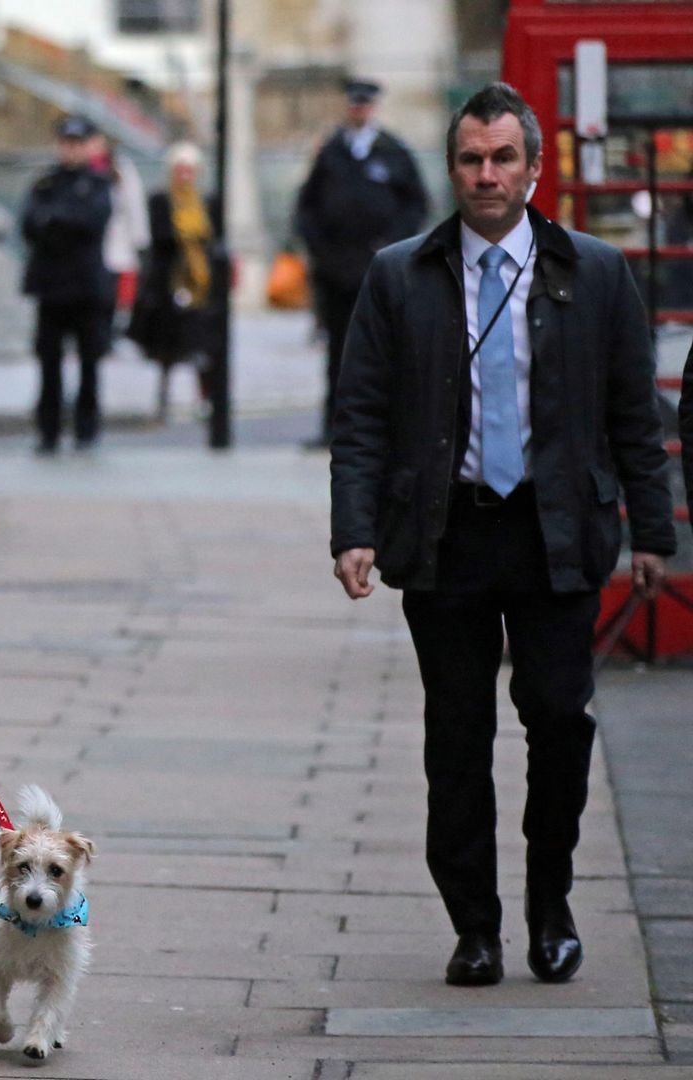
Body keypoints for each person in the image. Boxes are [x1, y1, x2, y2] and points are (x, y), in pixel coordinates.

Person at [330, 82, 674, 988]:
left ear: (534, 166)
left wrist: (654, 530)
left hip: (557, 534)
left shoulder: (594, 271)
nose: (487, 175)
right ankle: (474, 927)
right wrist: (354, 529)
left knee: (560, 721)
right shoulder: (399, 273)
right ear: (453, 169)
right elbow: (361, 414)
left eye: (503, 158)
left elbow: (635, 414)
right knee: (457, 736)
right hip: (446, 536)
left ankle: (550, 904)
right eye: (472, 159)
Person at [297, 77, 429, 449]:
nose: (359, 110)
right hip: (337, 272)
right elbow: (307, 209)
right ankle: (335, 427)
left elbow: (416, 205)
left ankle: (387, 428)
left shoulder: (392, 151)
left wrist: (391, 246)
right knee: (338, 352)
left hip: (381, 270)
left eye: (365, 104)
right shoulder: (331, 152)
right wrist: (323, 252)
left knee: (386, 350)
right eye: (353, 103)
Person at [20, 116, 115, 454]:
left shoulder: (98, 184)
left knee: (90, 362)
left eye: (76, 143)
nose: (70, 149)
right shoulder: (45, 183)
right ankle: (49, 430)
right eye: (66, 143)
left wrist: (57, 221)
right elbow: (30, 225)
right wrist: (61, 222)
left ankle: (86, 428)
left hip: (86, 288)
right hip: (51, 287)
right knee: (49, 363)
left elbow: (91, 223)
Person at [128, 142, 227, 420]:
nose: (185, 175)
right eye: (180, 170)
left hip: (201, 285)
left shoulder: (207, 202)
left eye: (189, 170)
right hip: (169, 285)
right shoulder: (161, 200)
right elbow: (159, 240)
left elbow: (213, 239)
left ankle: (205, 398)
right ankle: (163, 399)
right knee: (167, 350)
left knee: (203, 349)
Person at [92, 130, 151, 321]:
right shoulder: (77, 171)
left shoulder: (121, 168)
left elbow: (134, 206)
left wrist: (139, 241)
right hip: (87, 253)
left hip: (117, 248)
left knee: (115, 303)